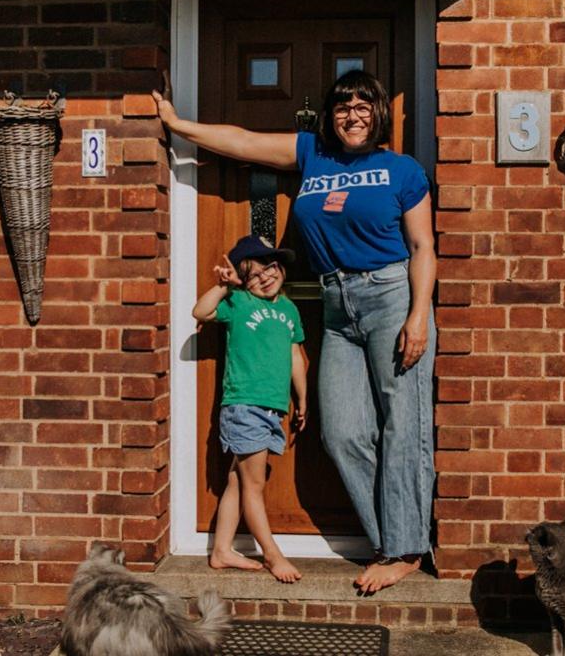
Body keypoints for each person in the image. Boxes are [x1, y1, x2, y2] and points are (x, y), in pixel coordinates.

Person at [158, 70, 435, 593]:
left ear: (377, 114)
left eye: (362, 105)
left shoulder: (402, 170)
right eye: (342, 106)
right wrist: (177, 124)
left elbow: (423, 248)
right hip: (336, 304)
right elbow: (242, 142)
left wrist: (418, 314)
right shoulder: (313, 155)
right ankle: (390, 537)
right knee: (342, 432)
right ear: (331, 116)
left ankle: (404, 549)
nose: (352, 114)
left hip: (392, 296)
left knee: (404, 426)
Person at [192, 234, 307, 583]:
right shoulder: (239, 302)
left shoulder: (289, 309)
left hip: (273, 409)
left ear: (280, 268)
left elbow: (295, 358)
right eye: (253, 275)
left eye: (269, 268)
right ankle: (273, 556)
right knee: (254, 485)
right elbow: (201, 311)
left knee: (237, 480)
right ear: (244, 280)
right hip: (244, 405)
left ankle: (222, 550)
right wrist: (224, 286)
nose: (265, 278)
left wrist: (301, 399)